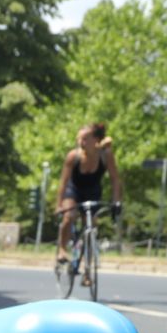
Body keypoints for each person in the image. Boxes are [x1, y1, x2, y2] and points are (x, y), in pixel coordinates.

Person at [53, 121, 122, 284]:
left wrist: (116, 201)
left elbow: (115, 179)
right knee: (69, 216)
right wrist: (59, 204)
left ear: (95, 139)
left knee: (91, 228)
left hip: (93, 191)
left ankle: (87, 271)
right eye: (79, 139)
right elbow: (63, 182)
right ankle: (62, 250)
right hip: (74, 190)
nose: (81, 142)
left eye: (85, 139)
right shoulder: (73, 156)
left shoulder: (106, 155)